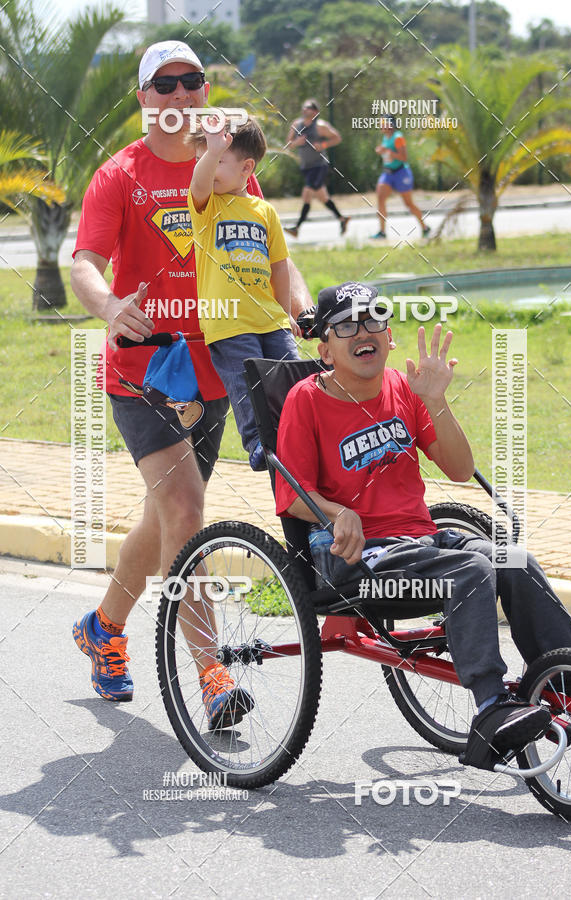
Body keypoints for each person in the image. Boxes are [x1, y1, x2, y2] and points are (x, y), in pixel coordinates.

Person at [70, 41, 311, 727]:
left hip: (220, 367)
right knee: (183, 508)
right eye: (164, 86)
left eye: (191, 83)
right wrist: (110, 306)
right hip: (145, 367)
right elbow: (85, 261)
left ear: (205, 93)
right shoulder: (119, 175)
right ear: (144, 98)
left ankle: (103, 628)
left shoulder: (233, 165)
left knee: (167, 515)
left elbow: (274, 258)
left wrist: (305, 311)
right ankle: (210, 672)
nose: (179, 96)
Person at [275, 281, 571, 755]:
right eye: (346, 325)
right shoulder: (306, 400)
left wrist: (436, 400)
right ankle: (490, 707)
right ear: (324, 348)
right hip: (359, 563)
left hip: (420, 543)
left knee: (513, 559)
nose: (363, 331)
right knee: (471, 571)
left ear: (389, 336)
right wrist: (341, 513)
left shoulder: (404, 388)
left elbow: (460, 470)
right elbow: (291, 493)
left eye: (373, 320)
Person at [187, 116, 300, 472]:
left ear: (246, 168)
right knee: (247, 380)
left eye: (218, 159)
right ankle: (259, 444)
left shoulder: (264, 211)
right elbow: (199, 181)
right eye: (202, 158)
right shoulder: (206, 207)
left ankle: (297, 434)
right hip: (229, 320)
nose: (206, 165)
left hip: (269, 318)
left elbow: (279, 267)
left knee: (290, 374)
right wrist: (213, 152)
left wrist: (284, 315)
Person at [284, 98, 350, 239]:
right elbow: (288, 144)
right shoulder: (296, 124)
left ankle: (297, 227)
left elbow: (337, 138)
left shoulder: (321, 126)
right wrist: (296, 142)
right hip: (306, 167)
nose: (304, 109)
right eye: (304, 107)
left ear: (315, 112)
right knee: (322, 197)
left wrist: (324, 145)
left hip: (319, 166)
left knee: (307, 193)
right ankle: (342, 219)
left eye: (308, 107)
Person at [372, 119, 430, 240]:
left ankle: (425, 227)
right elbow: (387, 151)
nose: (381, 125)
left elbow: (404, 157)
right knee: (380, 198)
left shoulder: (398, 137)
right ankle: (382, 232)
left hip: (401, 172)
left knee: (408, 203)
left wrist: (389, 152)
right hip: (388, 172)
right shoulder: (385, 137)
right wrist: (381, 150)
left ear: (390, 124)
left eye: (384, 123)